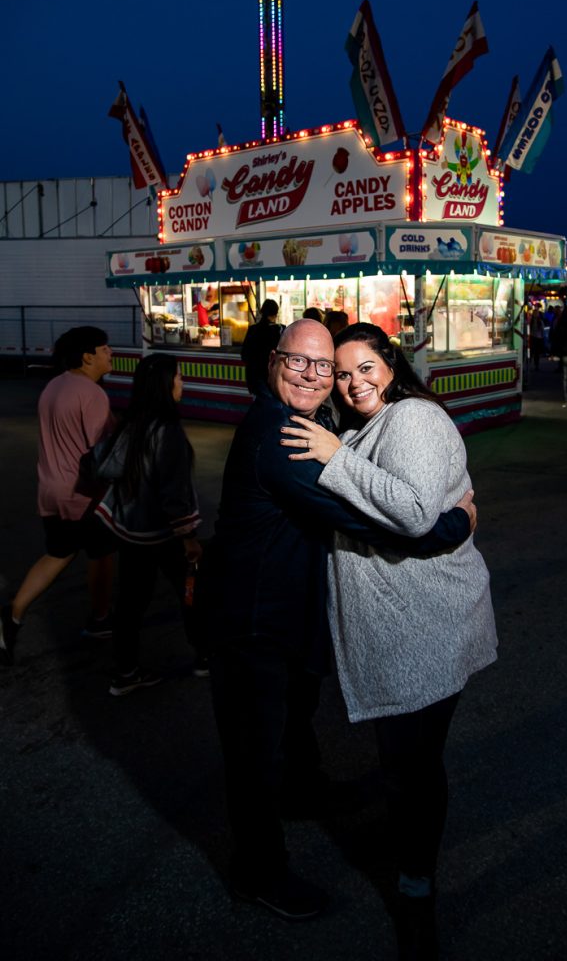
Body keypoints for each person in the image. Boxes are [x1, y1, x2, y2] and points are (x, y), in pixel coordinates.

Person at [199, 319, 474, 925]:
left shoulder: (314, 423)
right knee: (253, 754)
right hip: (250, 621)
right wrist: (456, 522)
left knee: (288, 723)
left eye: (331, 368)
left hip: (283, 613)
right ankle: (258, 872)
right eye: (305, 362)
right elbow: (366, 518)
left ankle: (304, 791)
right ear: (274, 361)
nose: (319, 376)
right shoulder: (282, 438)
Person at [280, 322, 497, 959]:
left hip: (425, 623)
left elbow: (410, 514)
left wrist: (333, 457)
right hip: (398, 625)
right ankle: (410, 854)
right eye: (343, 374)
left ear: (390, 364)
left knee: (413, 768)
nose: (353, 384)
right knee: (406, 763)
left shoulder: (413, 419)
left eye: (364, 368)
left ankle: (416, 890)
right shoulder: (359, 429)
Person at [1, 327, 116, 667]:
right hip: (82, 493)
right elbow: (102, 450)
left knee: (59, 552)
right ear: (88, 356)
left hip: (49, 489)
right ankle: (99, 619)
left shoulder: (54, 385)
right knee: (102, 552)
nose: (111, 352)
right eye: (104, 348)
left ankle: (13, 614)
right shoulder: (91, 393)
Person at [93, 354, 204, 695]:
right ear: (165, 384)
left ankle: (125, 671)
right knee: (192, 593)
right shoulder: (167, 431)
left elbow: (104, 464)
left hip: (131, 529)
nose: (182, 384)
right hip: (164, 532)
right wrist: (189, 538)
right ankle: (205, 656)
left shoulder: (133, 423)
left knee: (130, 602)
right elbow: (174, 492)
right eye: (179, 378)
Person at [240, 298, 283, 393]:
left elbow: (244, 355)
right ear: (276, 313)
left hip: (254, 379)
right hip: (273, 380)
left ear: (262, 312)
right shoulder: (280, 330)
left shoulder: (253, 329)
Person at [528, 303, 546, 371]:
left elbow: (542, 330)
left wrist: (542, 338)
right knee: (531, 352)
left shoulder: (540, 321)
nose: (535, 314)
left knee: (536, 353)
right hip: (533, 337)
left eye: (537, 313)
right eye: (535, 313)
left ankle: (536, 365)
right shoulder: (531, 321)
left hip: (538, 338)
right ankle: (530, 365)